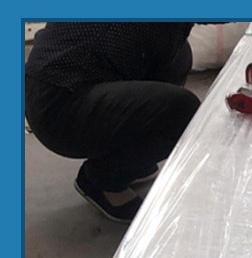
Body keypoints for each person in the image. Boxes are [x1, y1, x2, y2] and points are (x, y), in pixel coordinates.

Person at [25, 22, 203, 223]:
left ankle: (129, 160)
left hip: (73, 78)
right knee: (180, 111)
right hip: (57, 105)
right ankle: (101, 180)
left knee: (178, 55)